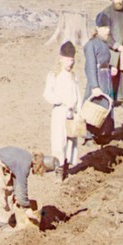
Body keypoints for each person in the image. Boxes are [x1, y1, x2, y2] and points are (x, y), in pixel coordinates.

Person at [0, 146, 57, 226]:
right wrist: (26, 207)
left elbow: (16, 181)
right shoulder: (25, 163)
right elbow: (21, 187)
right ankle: (2, 224)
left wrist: (17, 197)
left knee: (8, 191)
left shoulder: (26, 158)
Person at [43, 41, 82, 177]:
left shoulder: (73, 76)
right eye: (67, 60)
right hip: (60, 112)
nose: (70, 63)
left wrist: (78, 111)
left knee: (70, 141)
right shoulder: (54, 75)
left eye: (72, 60)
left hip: (71, 113)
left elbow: (77, 94)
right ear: (61, 59)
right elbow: (47, 93)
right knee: (59, 142)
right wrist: (59, 101)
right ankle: (58, 170)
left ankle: (66, 167)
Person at [81, 12, 116, 141]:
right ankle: (90, 135)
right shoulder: (91, 45)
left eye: (108, 27)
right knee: (95, 106)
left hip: (106, 79)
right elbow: (90, 66)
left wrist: (111, 67)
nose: (107, 30)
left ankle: (104, 132)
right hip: (97, 79)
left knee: (106, 105)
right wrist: (94, 86)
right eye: (104, 28)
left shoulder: (105, 43)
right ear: (97, 29)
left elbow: (104, 61)